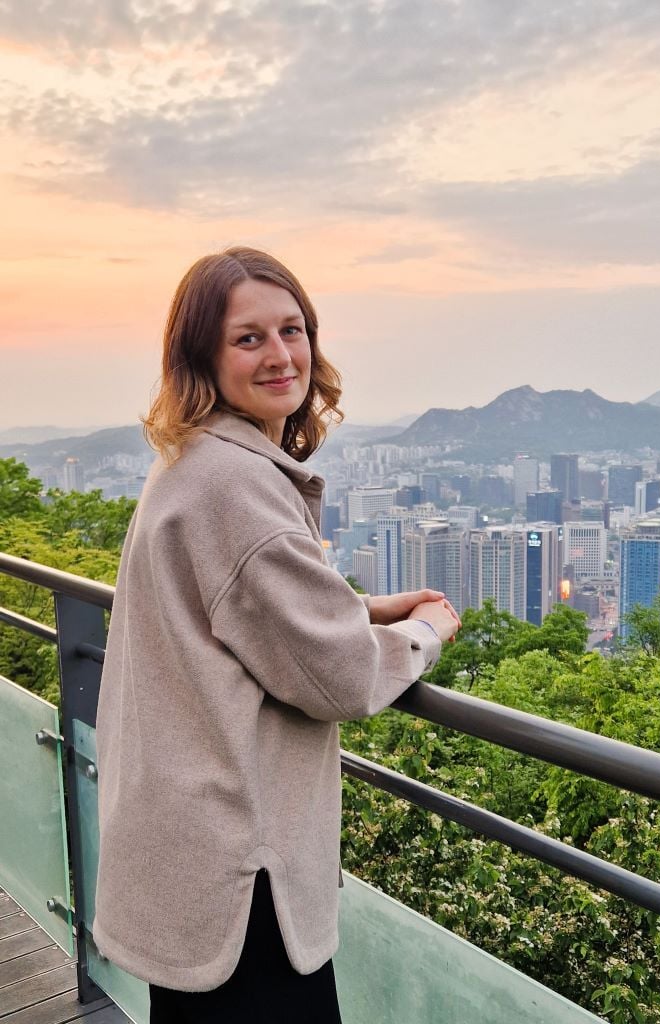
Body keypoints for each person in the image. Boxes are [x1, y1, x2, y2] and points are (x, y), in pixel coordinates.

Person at [93, 246, 460, 1023]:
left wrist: (354, 606)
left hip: (182, 847)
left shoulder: (192, 459)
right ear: (203, 356)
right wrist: (424, 633)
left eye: (292, 330)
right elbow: (342, 679)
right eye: (248, 338)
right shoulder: (236, 486)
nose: (281, 355)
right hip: (240, 870)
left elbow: (231, 609)